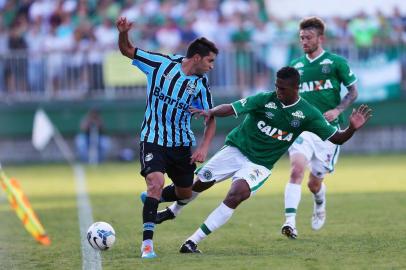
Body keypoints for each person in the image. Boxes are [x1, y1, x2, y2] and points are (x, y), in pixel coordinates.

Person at [155, 67, 371, 253]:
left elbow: (337, 138)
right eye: (276, 86)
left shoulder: (308, 114)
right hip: (236, 149)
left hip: (259, 164)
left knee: (236, 194)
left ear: (296, 88)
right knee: (197, 184)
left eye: (282, 89)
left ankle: (192, 241)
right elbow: (232, 108)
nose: (278, 91)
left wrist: (351, 127)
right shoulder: (265, 99)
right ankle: (170, 210)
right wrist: (210, 111)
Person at [116, 17, 218, 258]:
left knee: (185, 193)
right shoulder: (161, 64)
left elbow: (210, 117)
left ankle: (156, 198)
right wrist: (122, 33)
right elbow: (127, 50)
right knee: (155, 182)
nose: (212, 66)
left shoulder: (201, 85)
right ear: (197, 58)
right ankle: (147, 245)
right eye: (210, 61)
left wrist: (203, 147)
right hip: (153, 137)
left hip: (182, 143)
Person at [282, 17, 359, 239]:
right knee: (296, 170)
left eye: (308, 37)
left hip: (328, 131)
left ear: (320, 38)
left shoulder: (336, 63)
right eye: (301, 38)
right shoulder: (295, 66)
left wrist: (337, 110)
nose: (304, 41)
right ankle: (289, 222)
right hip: (303, 130)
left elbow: (353, 91)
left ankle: (319, 202)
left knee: (314, 184)